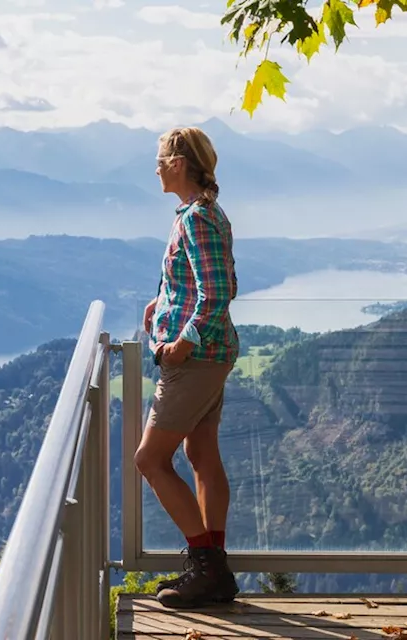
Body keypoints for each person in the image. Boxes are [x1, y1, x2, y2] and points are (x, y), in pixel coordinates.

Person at [137, 126, 239, 609]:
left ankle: (206, 567)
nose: (156, 167)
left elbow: (219, 292)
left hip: (195, 359)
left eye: (160, 159)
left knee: (149, 460)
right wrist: (163, 301)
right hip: (211, 355)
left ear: (179, 163)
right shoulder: (205, 213)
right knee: (201, 457)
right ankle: (213, 570)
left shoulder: (197, 218)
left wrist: (182, 341)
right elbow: (211, 282)